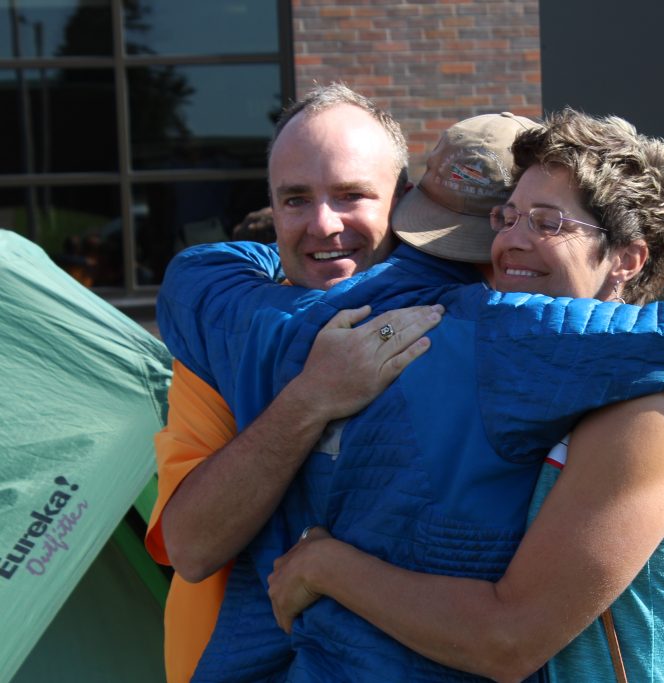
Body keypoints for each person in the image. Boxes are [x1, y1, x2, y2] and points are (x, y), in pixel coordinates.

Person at [146, 83, 664, 682]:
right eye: (503, 220)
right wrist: (311, 395)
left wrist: (326, 566)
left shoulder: (624, 398)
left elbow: (506, 635)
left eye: (544, 222)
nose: (504, 249)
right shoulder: (277, 326)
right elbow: (191, 545)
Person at [143, 83, 446, 683]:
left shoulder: (455, 325)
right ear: (272, 208)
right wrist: (311, 397)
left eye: (351, 195)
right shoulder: (227, 335)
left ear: (403, 200)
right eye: (296, 199)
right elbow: (192, 548)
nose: (323, 224)